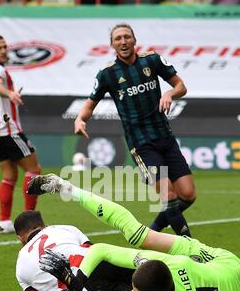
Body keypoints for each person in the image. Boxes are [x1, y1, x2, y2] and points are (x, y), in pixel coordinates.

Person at [28, 174, 240, 291]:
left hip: (232, 282)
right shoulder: (171, 263)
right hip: (227, 263)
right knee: (137, 235)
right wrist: (76, 281)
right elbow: (101, 249)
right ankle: (67, 188)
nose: (130, 290)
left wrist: (77, 289)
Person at [74, 24, 196, 237]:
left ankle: (153, 231)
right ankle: (192, 247)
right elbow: (90, 104)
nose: (123, 41)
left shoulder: (152, 60)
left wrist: (169, 94)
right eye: (118, 38)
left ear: (134, 40)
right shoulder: (107, 74)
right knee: (169, 195)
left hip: (165, 137)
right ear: (112, 44)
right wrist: (79, 119)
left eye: (126, 37)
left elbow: (181, 86)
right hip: (141, 144)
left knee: (188, 195)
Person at [14, 210, 134, 291]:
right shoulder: (64, 228)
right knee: (147, 281)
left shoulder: (20, 265)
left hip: (86, 289)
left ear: (20, 239)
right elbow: (94, 251)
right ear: (44, 225)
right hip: (105, 264)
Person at [0, 34, 41, 234]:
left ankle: (5, 222)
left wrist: (8, 93)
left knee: (9, 175)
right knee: (34, 170)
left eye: (5, 46)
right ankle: (29, 220)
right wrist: (9, 93)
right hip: (6, 129)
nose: (4, 50)